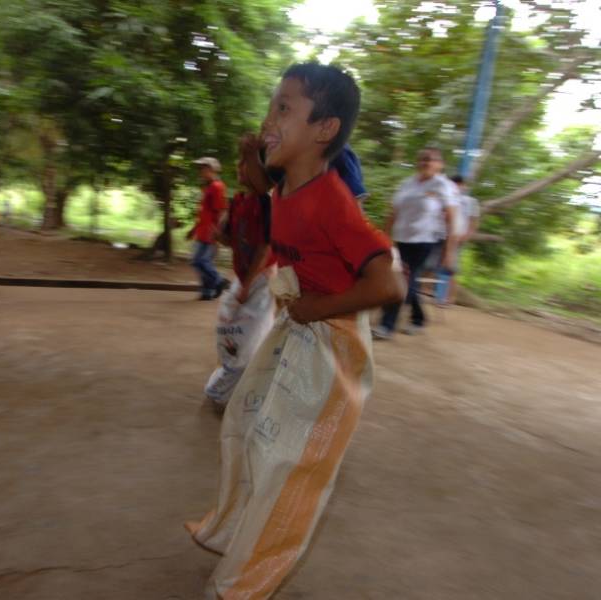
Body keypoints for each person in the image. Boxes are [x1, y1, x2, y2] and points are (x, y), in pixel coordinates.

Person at [187, 63, 404, 599]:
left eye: (285, 108)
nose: (270, 118)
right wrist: (250, 150)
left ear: (324, 129)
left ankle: (246, 582)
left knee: (293, 467)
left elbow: (389, 284)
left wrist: (317, 308)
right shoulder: (286, 185)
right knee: (251, 425)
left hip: (334, 347)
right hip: (298, 327)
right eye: (271, 106)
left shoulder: (332, 202)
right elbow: (259, 185)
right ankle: (236, 530)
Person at [204, 133, 276, 409]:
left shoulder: (266, 202)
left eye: (245, 162)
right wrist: (219, 234)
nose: (238, 167)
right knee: (231, 330)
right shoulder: (237, 202)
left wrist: (247, 283)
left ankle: (244, 391)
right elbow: (231, 239)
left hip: (262, 279)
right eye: (239, 161)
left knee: (248, 337)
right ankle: (236, 382)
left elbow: (265, 246)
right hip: (245, 278)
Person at [373, 146, 459, 339]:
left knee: (403, 281)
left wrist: (449, 251)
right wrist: (384, 238)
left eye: (431, 159)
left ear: (440, 164)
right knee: (406, 281)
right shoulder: (407, 184)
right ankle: (418, 318)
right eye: (422, 158)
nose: (426, 162)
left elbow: (452, 219)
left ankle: (387, 326)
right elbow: (393, 212)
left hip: (426, 241)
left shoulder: (442, 185)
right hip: (401, 239)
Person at [434, 174, 481, 305]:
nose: (456, 187)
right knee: (432, 264)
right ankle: (429, 292)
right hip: (439, 235)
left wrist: (466, 236)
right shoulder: (444, 199)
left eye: (459, 184)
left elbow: (474, 222)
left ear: (464, 186)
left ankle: (450, 298)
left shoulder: (471, 201)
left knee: (451, 268)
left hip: (457, 237)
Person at [187, 157, 229, 300]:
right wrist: (193, 230)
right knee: (202, 262)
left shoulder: (217, 187)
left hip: (210, 233)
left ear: (211, 170)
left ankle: (219, 281)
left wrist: (218, 233)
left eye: (203, 168)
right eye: (200, 168)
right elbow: (204, 213)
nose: (200, 171)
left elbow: (221, 212)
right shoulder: (208, 187)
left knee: (199, 261)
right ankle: (207, 291)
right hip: (202, 231)